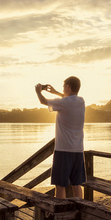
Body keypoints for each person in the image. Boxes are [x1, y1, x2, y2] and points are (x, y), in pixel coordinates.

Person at [35, 76, 86, 206]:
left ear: (68, 87)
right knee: (76, 184)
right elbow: (68, 98)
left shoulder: (63, 103)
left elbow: (43, 101)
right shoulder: (81, 101)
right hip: (78, 150)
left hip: (63, 150)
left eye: (64, 87)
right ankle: (79, 213)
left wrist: (38, 91)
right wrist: (56, 92)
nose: (63, 89)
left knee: (60, 185)